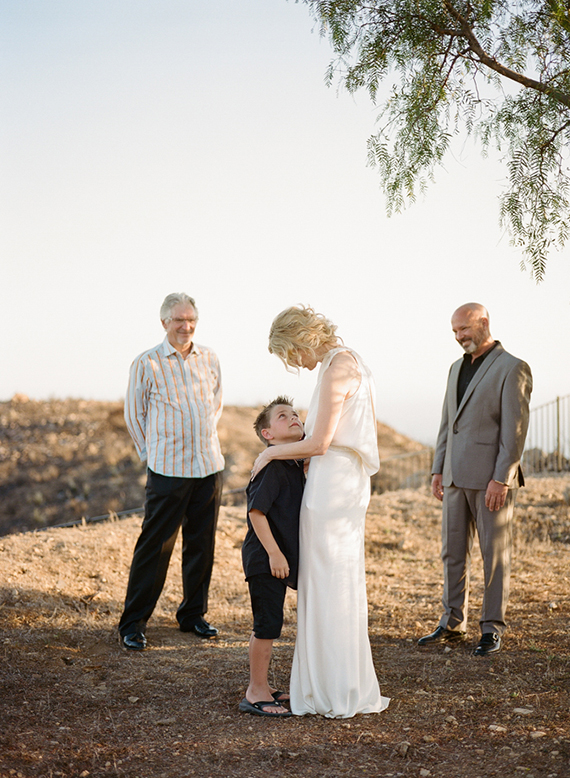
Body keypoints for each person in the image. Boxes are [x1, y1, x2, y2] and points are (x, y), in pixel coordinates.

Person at [251, 305, 390, 719]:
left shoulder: (337, 367)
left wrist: (269, 453)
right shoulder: (345, 362)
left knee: (330, 584)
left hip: (334, 486)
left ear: (301, 339)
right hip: (338, 479)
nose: (295, 364)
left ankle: (330, 688)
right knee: (332, 582)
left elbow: (319, 443)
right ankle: (333, 682)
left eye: (290, 354)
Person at [419, 303, 532, 656]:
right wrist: (438, 469)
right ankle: (452, 623)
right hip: (454, 478)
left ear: (484, 322)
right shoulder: (455, 368)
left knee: (494, 557)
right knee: (452, 553)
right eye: (455, 331)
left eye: (464, 329)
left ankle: (492, 628)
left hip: (490, 481)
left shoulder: (512, 367)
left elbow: (515, 431)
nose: (459, 336)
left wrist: (502, 478)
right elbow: (447, 423)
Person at [118, 293, 224, 650]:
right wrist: (152, 454)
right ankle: (133, 623)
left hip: (208, 466)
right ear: (164, 322)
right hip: (168, 469)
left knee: (202, 544)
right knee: (155, 547)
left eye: (191, 319)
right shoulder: (146, 363)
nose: (186, 326)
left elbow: (216, 404)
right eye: (179, 319)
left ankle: (193, 615)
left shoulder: (209, 357)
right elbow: (134, 415)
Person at [239, 397, 306, 718]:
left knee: (272, 622)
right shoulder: (272, 466)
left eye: (295, 414)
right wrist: (275, 554)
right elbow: (256, 512)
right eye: (282, 416)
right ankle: (255, 691)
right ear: (268, 435)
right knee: (266, 624)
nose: (293, 417)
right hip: (264, 557)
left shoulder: (294, 464)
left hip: (275, 556)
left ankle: (265, 685)